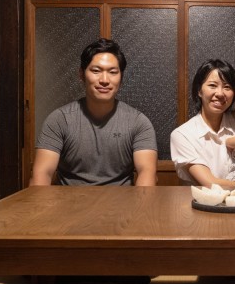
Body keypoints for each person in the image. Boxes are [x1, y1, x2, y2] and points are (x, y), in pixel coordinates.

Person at [30, 38, 158, 187]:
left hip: (122, 206)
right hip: (68, 206)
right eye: (96, 71)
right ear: (81, 74)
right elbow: (41, 174)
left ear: (121, 78)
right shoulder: (60, 120)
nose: (104, 80)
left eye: (112, 72)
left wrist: (139, 208)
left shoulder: (138, 122)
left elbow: (148, 173)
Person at [170, 59, 235, 188]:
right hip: (202, 205)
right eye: (212, 85)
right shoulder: (183, 135)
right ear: (199, 91)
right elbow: (210, 183)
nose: (220, 93)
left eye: (227, 87)